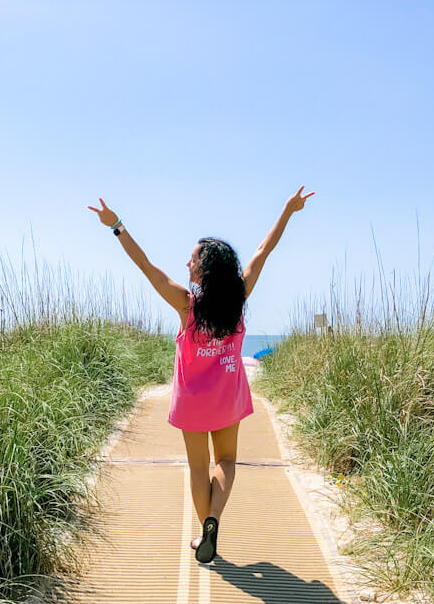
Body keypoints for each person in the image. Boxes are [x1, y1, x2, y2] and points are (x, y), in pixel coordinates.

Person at [87, 186, 315, 563]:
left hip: (192, 401)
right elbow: (262, 252)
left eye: (192, 260)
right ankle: (213, 519)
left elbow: (146, 267)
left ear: (205, 267)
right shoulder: (239, 296)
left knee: (197, 467)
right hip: (227, 397)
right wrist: (288, 212)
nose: (186, 264)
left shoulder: (186, 304)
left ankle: (204, 531)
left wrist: (117, 226)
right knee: (225, 463)